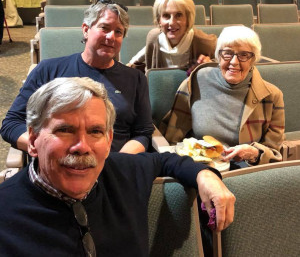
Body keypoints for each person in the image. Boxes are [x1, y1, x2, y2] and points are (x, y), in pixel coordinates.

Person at [0, 77, 235, 256]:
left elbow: (166, 160)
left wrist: (206, 175)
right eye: (65, 130)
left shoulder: (122, 171)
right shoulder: (6, 211)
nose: (82, 147)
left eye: (95, 132)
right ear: (32, 140)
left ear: (110, 140)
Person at [0, 0, 153, 154]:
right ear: (86, 30)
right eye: (104, 28)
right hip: (57, 168)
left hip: (114, 168)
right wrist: (48, 149)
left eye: (118, 31)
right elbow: (12, 124)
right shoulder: (48, 70)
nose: (111, 37)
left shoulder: (136, 79)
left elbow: (143, 133)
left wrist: (118, 162)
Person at [161, 26, 284, 166]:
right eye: (227, 53)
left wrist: (254, 153)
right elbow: (173, 130)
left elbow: (274, 152)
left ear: (253, 59)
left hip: (244, 170)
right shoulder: (196, 81)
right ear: (218, 56)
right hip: (199, 166)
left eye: (244, 55)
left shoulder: (272, 96)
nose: (234, 62)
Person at [128, 0, 217, 72]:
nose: (172, 22)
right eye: (166, 15)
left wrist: (210, 66)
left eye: (178, 15)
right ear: (159, 20)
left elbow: (222, 66)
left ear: (188, 19)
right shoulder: (154, 38)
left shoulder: (203, 42)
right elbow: (134, 62)